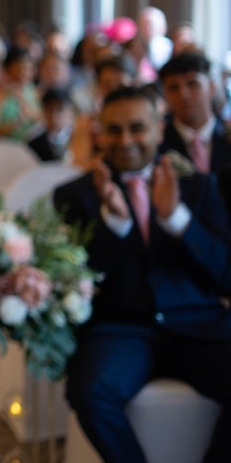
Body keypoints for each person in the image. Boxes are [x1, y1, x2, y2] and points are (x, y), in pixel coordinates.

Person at [54, 86, 231, 463]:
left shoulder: (199, 187)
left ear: (159, 128)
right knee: (91, 392)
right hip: (121, 331)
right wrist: (113, 225)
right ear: (100, 133)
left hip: (199, 326)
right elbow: (73, 283)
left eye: (137, 128)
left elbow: (226, 275)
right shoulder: (75, 195)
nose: (126, 141)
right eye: (114, 130)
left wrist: (178, 221)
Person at [157, 52, 229, 176]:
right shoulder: (158, 142)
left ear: (211, 87)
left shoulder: (226, 134)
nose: (183, 95)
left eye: (192, 84)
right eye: (173, 87)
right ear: (165, 95)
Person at [28, 88, 74, 162]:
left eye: (60, 109)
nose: (54, 115)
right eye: (50, 109)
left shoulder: (78, 136)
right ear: (43, 111)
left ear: (70, 111)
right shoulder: (34, 142)